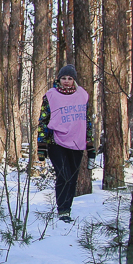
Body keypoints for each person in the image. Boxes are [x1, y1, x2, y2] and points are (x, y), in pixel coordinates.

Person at [36, 64, 96, 222]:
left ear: (74, 80)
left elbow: (87, 120)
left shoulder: (82, 95)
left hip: (77, 142)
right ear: (59, 79)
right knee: (64, 175)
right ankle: (62, 210)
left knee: (73, 177)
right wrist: (41, 146)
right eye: (64, 78)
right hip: (56, 141)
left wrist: (90, 145)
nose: (67, 81)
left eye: (70, 78)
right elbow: (43, 120)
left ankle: (67, 209)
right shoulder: (51, 95)